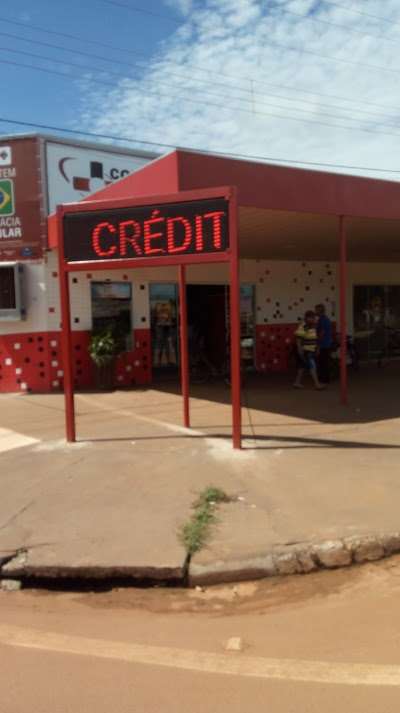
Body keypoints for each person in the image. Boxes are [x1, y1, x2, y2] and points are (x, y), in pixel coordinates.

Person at [293, 310, 325, 390]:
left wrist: (316, 348)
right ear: (307, 318)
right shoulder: (304, 326)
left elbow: (315, 337)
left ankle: (297, 382)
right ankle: (317, 384)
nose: (314, 319)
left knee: (302, 367)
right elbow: (298, 339)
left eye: (314, 318)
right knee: (312, 366)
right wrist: (300, 349)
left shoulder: (312, 325)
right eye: (312, 318)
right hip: (305, 350)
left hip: (310, 349)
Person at [315, 303, 333, 384]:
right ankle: (324, 378)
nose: (315, 311)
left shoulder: (323, 320)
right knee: (323, 362)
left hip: (324, 344)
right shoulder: (324, 319)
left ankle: (324, 379)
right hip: (326, 343)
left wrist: (318, 345)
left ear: (320, 310)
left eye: (316, 310)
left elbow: (321, 333)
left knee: (323, 362)